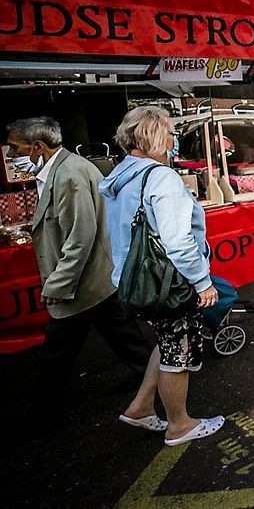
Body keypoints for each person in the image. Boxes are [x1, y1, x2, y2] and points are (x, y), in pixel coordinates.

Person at [5, 118, 151, 422]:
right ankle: (148, 377)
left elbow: (80, 238)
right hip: (95, 280)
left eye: (14, 148)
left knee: (56, 354)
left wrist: (57, 286)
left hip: (83, 282)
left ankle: (39, 415)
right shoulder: (60, 170)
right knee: (123, 335)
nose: (9, 155)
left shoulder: (69, 175)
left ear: (38, 147)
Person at [99, 106, 224, 446]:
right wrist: (202, 281)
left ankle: (140, 407)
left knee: (166, 343)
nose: (173, 141)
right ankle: (179, 425)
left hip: (135, 280)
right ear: (155, 136)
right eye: (170, 134)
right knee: (177, 353)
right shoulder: (161, 177)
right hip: (165, 281)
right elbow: (178, 240)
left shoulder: (123, 173)